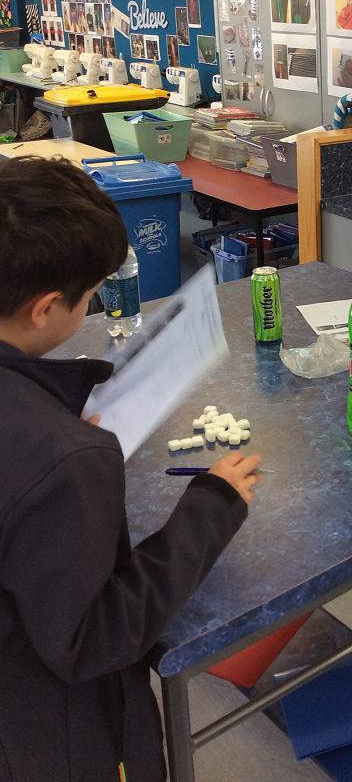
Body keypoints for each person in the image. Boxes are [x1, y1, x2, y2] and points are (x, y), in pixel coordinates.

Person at [0, 156, 263, 779]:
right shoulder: (67, 460)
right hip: (53, 741)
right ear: (45, 307)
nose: (91, 304)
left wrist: (52, 418)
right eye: (90, 294)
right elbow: (91, 637)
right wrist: (211, 507)